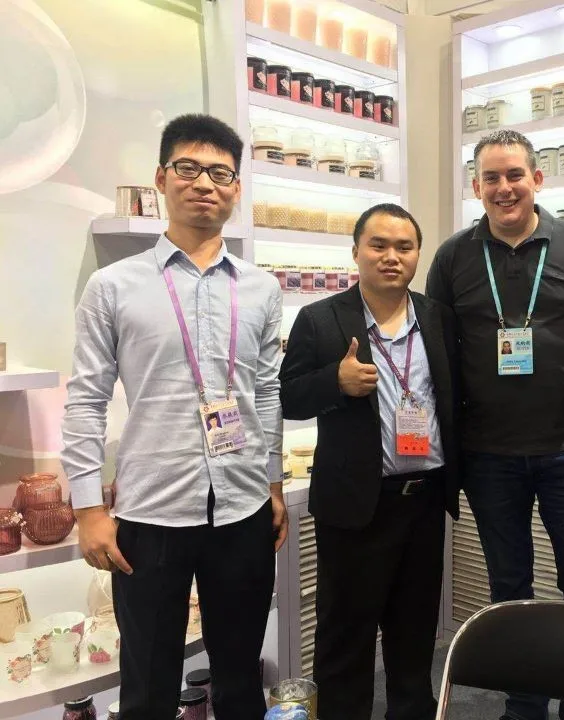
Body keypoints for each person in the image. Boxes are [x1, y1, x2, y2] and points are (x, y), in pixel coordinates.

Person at [62, 114, 287, 720]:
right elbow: (86, 398)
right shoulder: (113, 286)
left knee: (240, 679)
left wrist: (273, 485)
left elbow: (266, 393)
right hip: (150, 511)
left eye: (221, 173)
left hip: (243, 507)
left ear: (236, 188)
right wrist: (87, 509)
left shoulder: (262, 289)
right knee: (148, 687)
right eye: (188, 168)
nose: (204, 183)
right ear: (161, 179)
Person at [426, 129, 564, 720]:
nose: (503, 188)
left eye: (514, 175)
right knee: (508, 590)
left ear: (537, 178)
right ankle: (524, 706)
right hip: (488, 457)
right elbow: (439, 354)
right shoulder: (453, 256)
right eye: (491, 178)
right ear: (476, 186)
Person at [280, 203, 460, 720]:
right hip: (356, 506)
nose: (391, 256)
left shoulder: (437, 317)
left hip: (424, 500)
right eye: (378, 245)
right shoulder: (320, 319)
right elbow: (286, 397)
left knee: (415, 633)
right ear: (356, 251)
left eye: (404, 247)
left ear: (418, 255)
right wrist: (333, 383)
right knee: (346, 639)